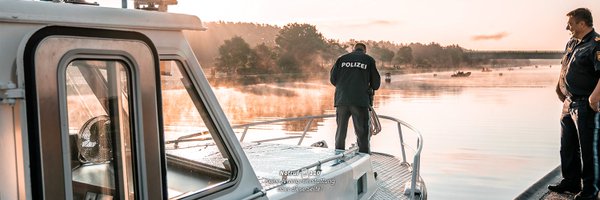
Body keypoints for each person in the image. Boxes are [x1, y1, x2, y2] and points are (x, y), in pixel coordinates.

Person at [548, 8, 600, 200]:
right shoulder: (571, 43)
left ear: (582, 23)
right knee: (567, 146)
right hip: (568, 102)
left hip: (586, 104)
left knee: (588, 149)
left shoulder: (596, 44)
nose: (567, 27)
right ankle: (571, 181)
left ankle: (590, 192)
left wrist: (594, 98)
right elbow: (564, 67)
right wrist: (558, 88)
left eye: (570, 24)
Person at [330, 43, 380, 154]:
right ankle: (363, 158)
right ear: (364, 51)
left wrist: (344, 87)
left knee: (340, 132)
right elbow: (376, 84)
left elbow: (333, 80)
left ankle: (338, 156)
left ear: (353, 49)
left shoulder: (341, 59)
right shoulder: (368, 60)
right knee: (362, 132)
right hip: (360, 100)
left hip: (341, 100)